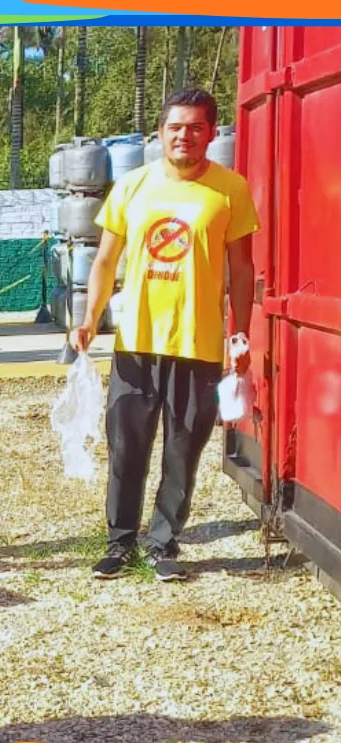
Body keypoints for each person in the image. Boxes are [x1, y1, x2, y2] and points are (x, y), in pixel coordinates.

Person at [71, 88, 258, 582]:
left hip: (199, 345)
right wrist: (90, 318)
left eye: (196, 127)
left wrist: (242, 334)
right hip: (136, 340)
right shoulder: (133, 186)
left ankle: (163, 543)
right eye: (176, 127)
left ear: (210, 134)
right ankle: (119, 543)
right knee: (126, 446)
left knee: (183, 450)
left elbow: (242, 270)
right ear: (160, 133)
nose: (185, 136)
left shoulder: (230, 190)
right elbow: (105, 260)